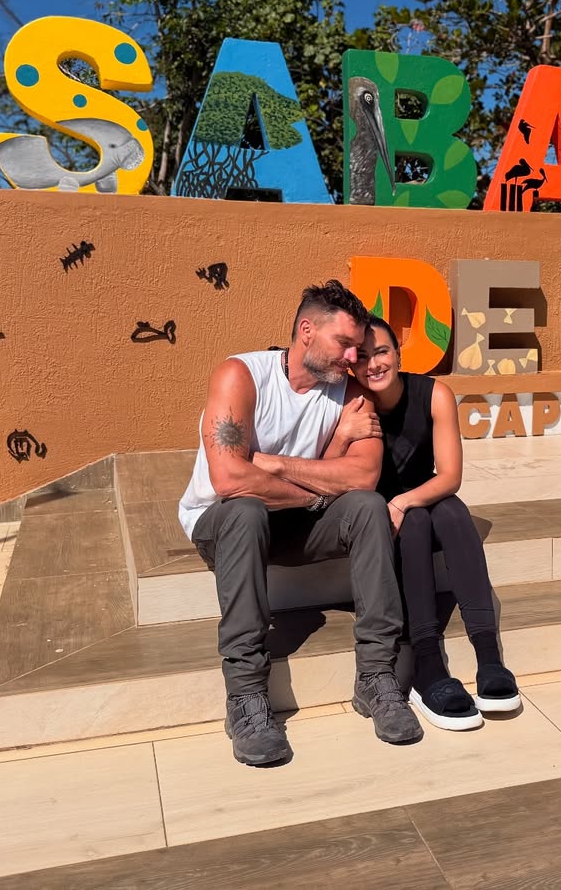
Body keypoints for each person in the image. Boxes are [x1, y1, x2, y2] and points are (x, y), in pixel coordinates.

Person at [177, 281, 424, 766]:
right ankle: (246, 696)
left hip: (298, 524)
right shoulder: (240, 375)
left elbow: (363, 476)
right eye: (344, 343)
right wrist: (316, 490)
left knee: (367, 507)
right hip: (224, 523)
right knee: (245, 510)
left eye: (358, 346)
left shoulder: (351, 393)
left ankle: (377, 676)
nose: (353, 357)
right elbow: (229, 479)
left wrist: (272, 464)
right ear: (306, 331)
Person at [352, 316, 520, 731]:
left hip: (419, 496)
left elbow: (450, 476)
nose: (374, 364)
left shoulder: (434, 394)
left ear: (398, 354)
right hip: (376, 512)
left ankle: (489, 658)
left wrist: (403, 501)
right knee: (415, 524)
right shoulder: (351, 403)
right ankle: (426, 664)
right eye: (363, 357)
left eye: (382, 352)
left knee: (453, 511)